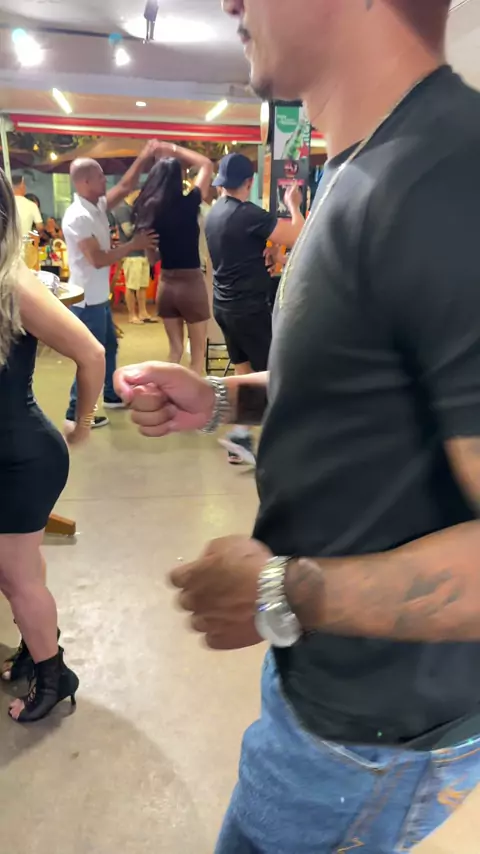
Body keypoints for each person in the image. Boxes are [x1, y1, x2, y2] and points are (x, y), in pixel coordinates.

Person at [115, 0, 480, 851]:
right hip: (328, 688)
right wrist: (224, 399)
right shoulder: (368, 164)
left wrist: (282, 591)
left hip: (372, 734)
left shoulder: (449, 180)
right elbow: (367, 381)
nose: (231, 3)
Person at [0, 168, 105, 722]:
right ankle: (34, 646)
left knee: (13, 574)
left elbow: (92, 354)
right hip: (12, 452)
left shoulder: (14, 285)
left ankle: (53, 674)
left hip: (23, 457)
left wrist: (82, 423)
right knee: (17, 568)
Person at [205, 152, 304, 464]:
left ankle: (241, 435)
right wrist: (293, 205)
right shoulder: (247, 214)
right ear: (249, 182)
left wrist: (270, 252)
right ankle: (283, 444)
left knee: (245, 371)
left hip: (224, 305)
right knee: (276, 376)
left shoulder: (215, 212)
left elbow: (243, 248)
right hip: (248, 308)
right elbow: (301, 235)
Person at [62, 143, 159, 429]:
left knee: (109, 347)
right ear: (84, 182)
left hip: (98, 298)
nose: (106, 180)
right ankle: (76, 413)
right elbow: (97, 259)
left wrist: (144, 156)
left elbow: (126, 185)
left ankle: (110, 395)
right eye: (100, 177)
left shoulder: (97, 206)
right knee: (91, 358)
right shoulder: (78, 216)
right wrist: (134, 245)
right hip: (85, 301)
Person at [134, 143, 213, 376]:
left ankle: (167, 392)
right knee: (197, 357)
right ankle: (190, 397)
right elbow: (206, 164)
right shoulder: (190, 202)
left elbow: (152, 258)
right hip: (191, 283)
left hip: (167, 285)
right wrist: (173, 148)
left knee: (174, 352)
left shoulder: (151, 211)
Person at [111, 190, 157, 325]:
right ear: (132, 192)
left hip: (143, 252)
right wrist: (143, 223)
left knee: (142, 286)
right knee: (131, 286)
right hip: (131, 254)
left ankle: (143, 312)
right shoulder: (122, 209)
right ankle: (132, 315)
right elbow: (128, 231)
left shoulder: (137, 209)